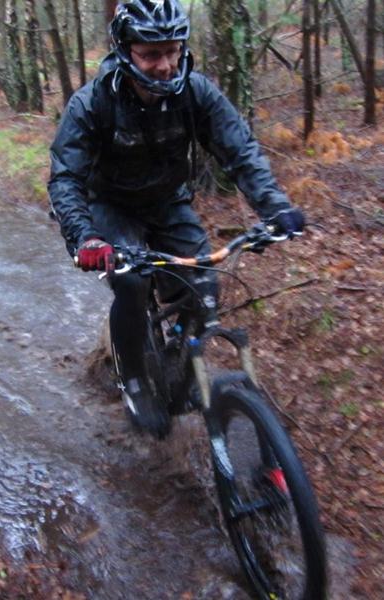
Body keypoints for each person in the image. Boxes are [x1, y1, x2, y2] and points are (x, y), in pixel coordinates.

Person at [48, 0, 304, 438]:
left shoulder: (196, 92)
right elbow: (66, 177)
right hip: (109, 207)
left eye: (172, 50)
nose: (165, 65)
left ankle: (175, 360)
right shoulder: (93, 103)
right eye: (151, 54)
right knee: (130, 283)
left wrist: (274, 206)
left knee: (203, 288)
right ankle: (132, 378)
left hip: (169, 202)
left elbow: (239, 150)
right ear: (125, 51)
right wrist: (86, 238)